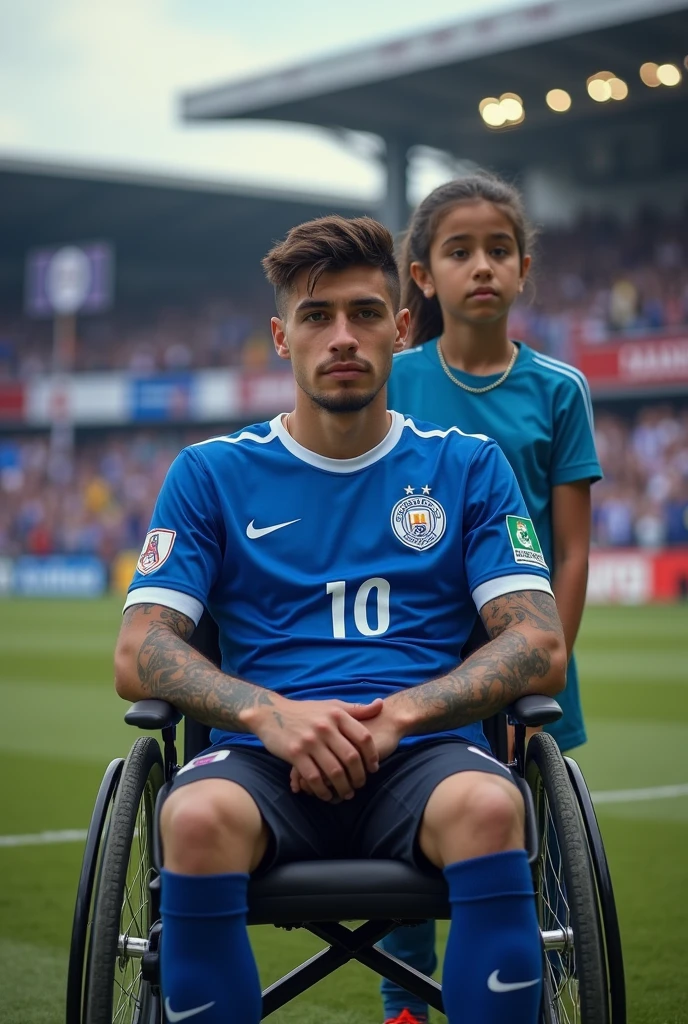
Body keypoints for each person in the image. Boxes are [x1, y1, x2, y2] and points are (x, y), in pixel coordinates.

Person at [114, 214, 567, 1024]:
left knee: (496, 806)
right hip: (261, 759)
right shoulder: (209, 473)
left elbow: (536, 641)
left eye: (364, 314)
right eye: (317, 317)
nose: (343, 337)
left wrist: (402, 714)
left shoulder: (467, 466)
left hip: (425, 754)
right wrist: (270, 714)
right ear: (282, 338)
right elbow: (139, 649)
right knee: (192, 817)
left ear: (399, 329)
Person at [379, 173, 602, 1024]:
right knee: (404, 826)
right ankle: (405, 1002)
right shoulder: (393, 380)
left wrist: (548, 659)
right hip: (416, 648)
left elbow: (572, 549)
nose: (482, 266)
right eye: (459, 250)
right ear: (423, 275)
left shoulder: (558, 390)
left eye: (499, 250)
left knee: (535, 838)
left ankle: (532, 993)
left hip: (527, 657)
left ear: (524, 268)